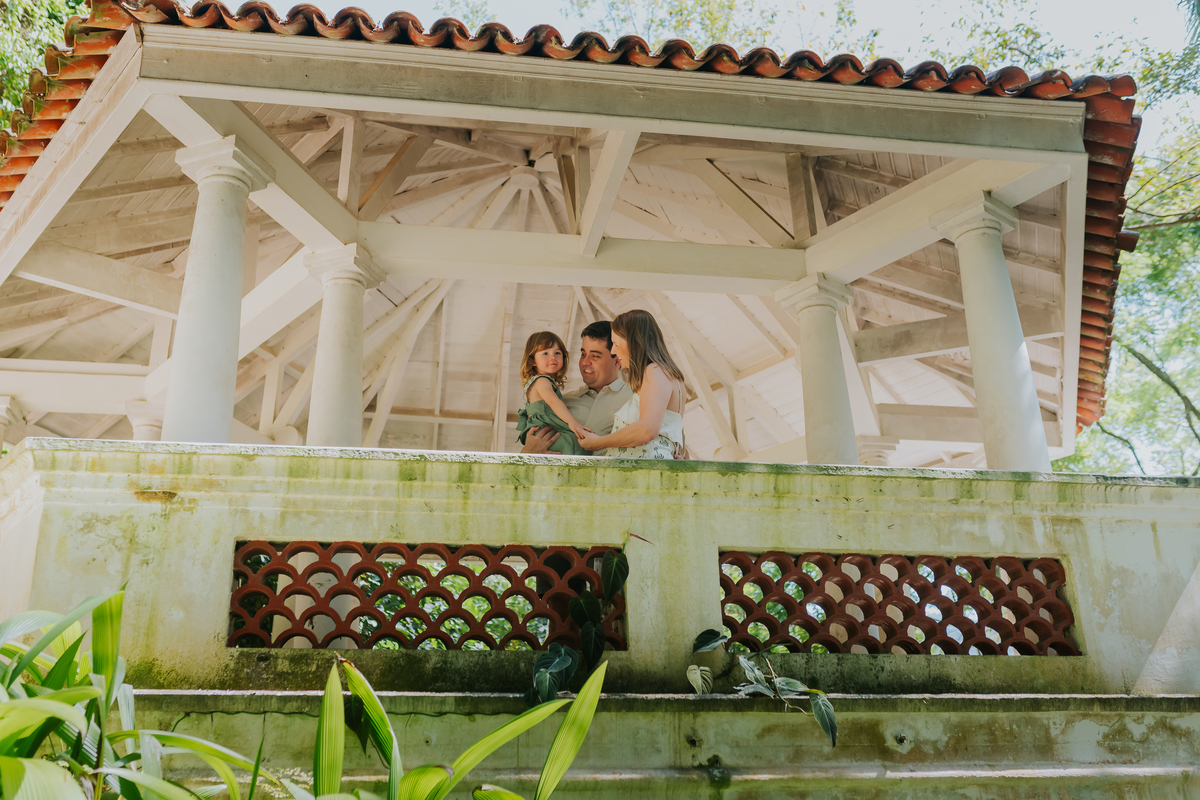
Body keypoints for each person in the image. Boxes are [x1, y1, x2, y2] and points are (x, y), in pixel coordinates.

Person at [578, 309, 686, 459]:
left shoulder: (655, 371)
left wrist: (598, 443)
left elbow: (647, 430)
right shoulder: (672, 378)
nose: (613, 351)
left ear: (633, 342)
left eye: (616, 344)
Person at [521, 321, 632, 455]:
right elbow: (529, 451)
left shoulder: (636, 399)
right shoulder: (562, 403)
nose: (585, 362)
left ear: (617, 360)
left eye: (595, 356)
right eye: (583, 354)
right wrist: (528, 451)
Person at [515, 331, 593, 455]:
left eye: (557, 353)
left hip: (544, 431)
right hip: (542, 432)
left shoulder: (544, 381)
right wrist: (573, 422)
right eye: (545, 353)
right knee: (576, 443)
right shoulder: (541, 380)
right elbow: (553, 401)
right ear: (533, 361)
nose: (552, 357)